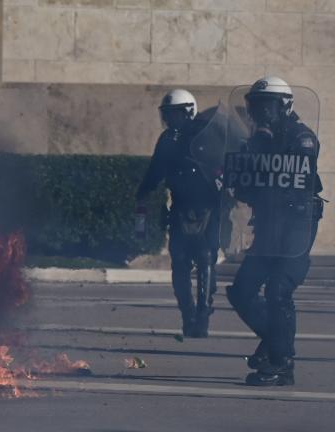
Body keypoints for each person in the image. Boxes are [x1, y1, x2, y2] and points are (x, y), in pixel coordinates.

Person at [225, 77, 324, 386]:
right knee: (242, 290)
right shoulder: (257, 139)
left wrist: (266, 146)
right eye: (257, 106)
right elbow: (247, 184)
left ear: (285, 106)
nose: (262, 113)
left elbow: (295, 172)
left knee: (279, 290)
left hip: (296, 225)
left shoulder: (301, 137)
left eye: (268, 106)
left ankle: (282, 363)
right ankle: (274, 342)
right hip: (267, 225)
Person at [136, 89, 221, 338]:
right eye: (168, 115)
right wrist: (143, 191)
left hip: (207, 208)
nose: (171, 120)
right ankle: (188, 315)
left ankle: (203, 316)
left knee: (206, 260)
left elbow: (223, 166)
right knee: (180, 264)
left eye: (175, 114)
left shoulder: (207, 135)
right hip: (180, 208)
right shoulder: (167, 140)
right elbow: (155, 170)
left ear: (189, 112)